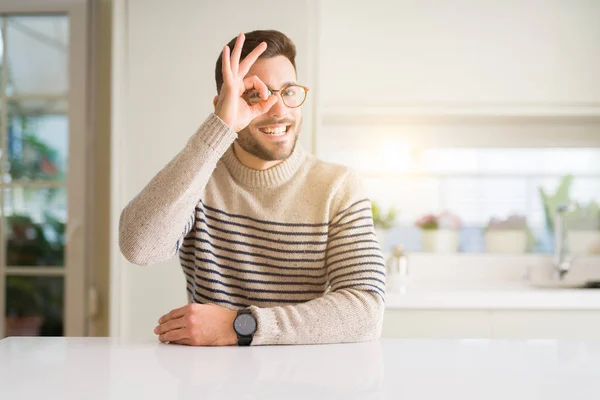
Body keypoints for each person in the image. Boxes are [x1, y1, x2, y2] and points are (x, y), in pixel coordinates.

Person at [119, 30, 385, 346]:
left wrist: (241, 326)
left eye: (288, 92)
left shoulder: (337, 186)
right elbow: (139, 247)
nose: (278, 110)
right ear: (222, 105)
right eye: (255, 94)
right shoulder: (199, 177)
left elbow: (365, 311)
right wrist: (220, 128)